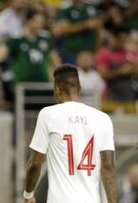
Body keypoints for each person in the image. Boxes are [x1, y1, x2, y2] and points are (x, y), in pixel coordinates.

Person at [23, 64, 117, 203]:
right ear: (79, 88)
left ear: (57, 89)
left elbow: (35, 163)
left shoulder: (48, 114)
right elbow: (108, 167)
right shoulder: (103, 119)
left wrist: (28, 194)